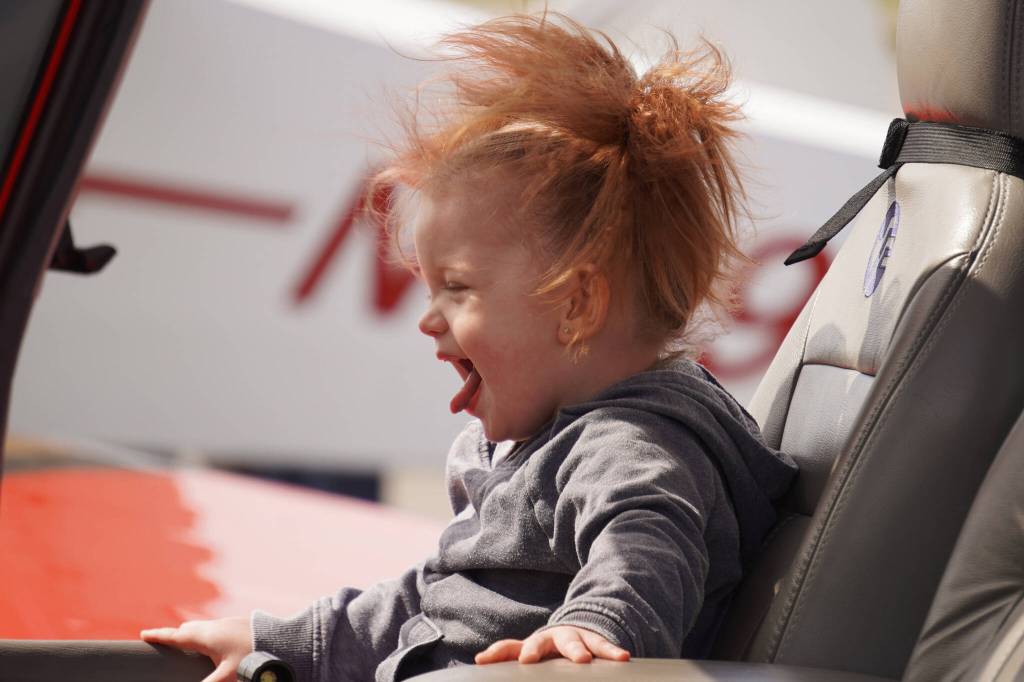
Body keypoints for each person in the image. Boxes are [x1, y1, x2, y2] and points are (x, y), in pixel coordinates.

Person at [141, 12, 797, 682]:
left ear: (576, 304)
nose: (429, 320)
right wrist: (283, 638)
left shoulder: (626, 449)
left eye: (456, 288)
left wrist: (594, 626)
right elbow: (431, 604)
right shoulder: (549, 443)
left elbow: (646, 550)